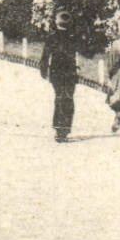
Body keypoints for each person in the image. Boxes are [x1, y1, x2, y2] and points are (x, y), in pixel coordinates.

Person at [39, 9, 80, 142]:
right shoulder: (73, 37)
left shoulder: (52, 37)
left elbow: (45, 55)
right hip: (70, 72)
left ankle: (58, 128)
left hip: (56, 72)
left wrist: (44, 70)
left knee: (59, 97)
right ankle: (66, 128)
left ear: (57, 22)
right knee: (68, 97)